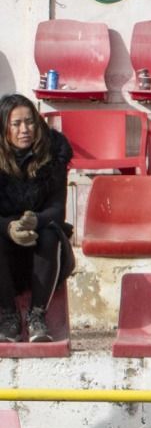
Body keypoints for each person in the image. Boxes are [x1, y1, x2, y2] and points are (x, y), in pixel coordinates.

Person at [0, 94, 73, 343]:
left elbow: (57, 208)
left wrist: (36, 222)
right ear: (4, 128)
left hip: (43, 252)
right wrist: (9, 228)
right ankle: (8, 317)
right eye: (16, 124)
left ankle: (37, 316)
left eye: (30, 122)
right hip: (5, 250)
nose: (25, 130)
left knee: (52, 234)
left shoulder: (53, 153)